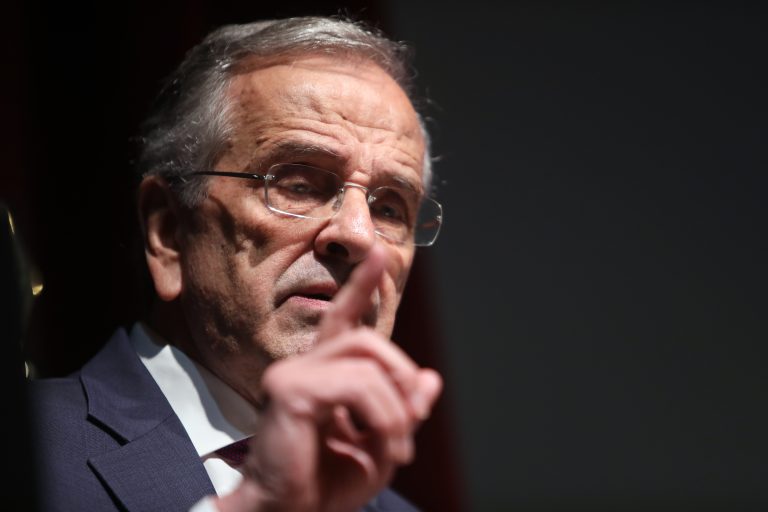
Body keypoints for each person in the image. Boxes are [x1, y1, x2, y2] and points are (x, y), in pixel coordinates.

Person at [31, 16, 444, 512]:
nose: (357, 235)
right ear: (169, 233)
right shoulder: (23, 453)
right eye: (299, 185)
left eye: (390, 209)